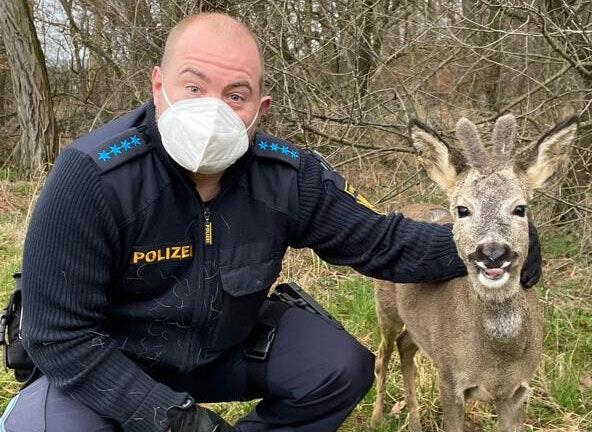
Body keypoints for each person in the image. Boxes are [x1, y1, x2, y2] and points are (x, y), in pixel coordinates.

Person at [0, 12, 541, 432]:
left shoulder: (287, 177)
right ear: (158, 84)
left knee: (340, 367)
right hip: (111, 363)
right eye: (194, 86)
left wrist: (499, 241)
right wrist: (172, 418)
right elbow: (58, 336)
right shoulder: (91, 176)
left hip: (219, 349)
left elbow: (383, 242)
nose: (213, 109)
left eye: (235, 95)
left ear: (260, 106)